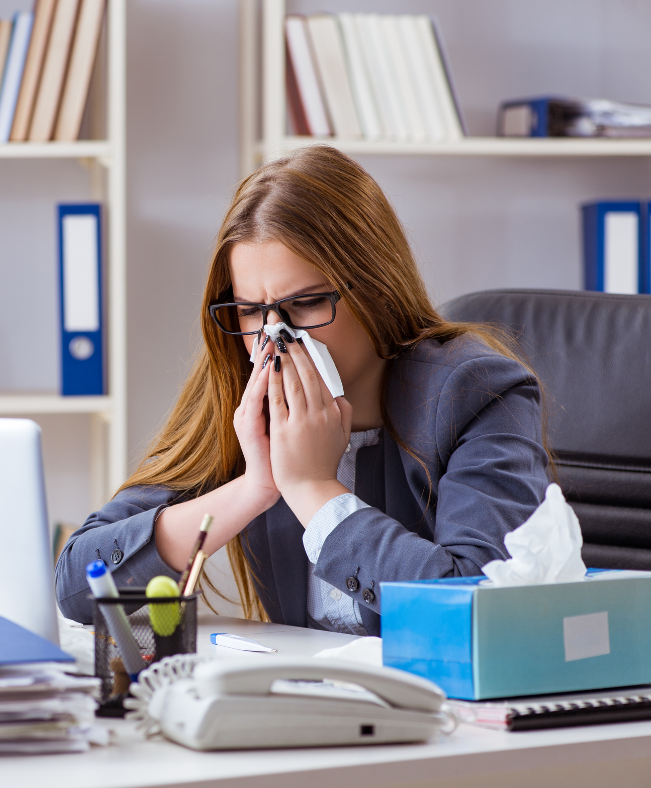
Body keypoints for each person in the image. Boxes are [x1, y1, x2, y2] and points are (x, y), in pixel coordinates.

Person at [56, 145, 551, 634]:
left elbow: (478, 611)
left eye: (307, 303)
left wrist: (314, 490)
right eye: (251, 311)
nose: (274, 336)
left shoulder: (480, 392)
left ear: (377, 288)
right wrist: (254, 488)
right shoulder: (241, 386)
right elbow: (78, 583)